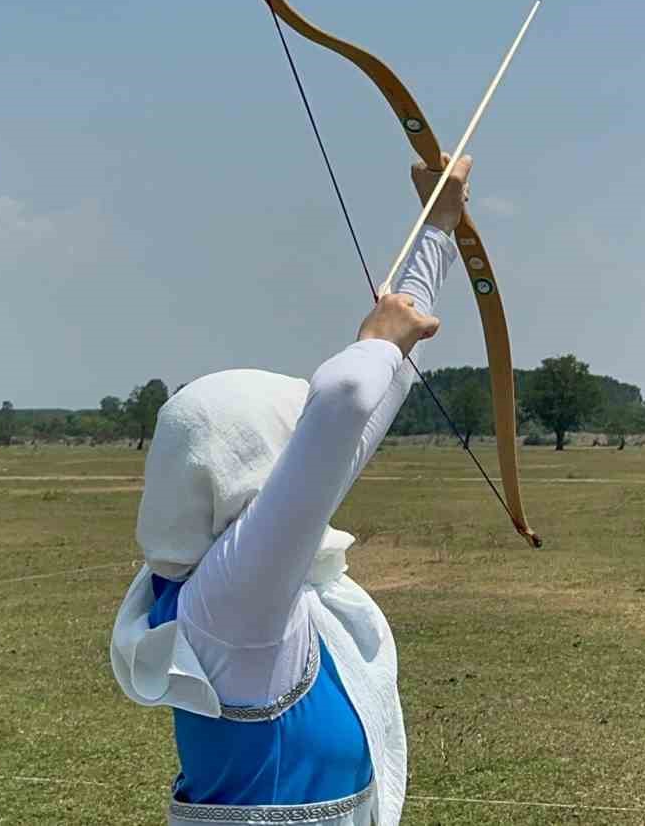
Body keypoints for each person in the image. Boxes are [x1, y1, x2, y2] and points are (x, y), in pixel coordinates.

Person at [110, 155, 475, 825]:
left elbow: (361, 409)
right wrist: (373, 341)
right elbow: (343, 399)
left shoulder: (220, 575)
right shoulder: (232, 602)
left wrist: (439, 227)